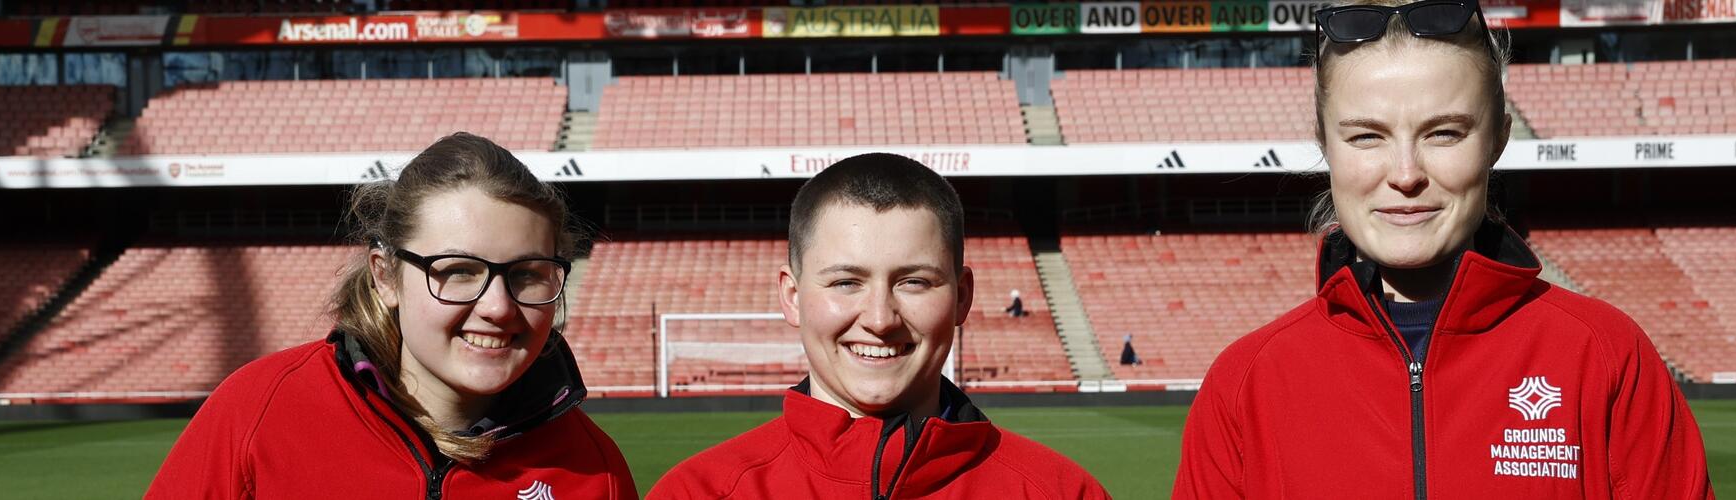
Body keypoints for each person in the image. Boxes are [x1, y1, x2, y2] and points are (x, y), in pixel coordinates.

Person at [1173, 1, 1713, 497]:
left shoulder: (1606, 356)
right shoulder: (1243, 386)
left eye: (1444, 133)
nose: (1406, 175)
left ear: (1498, 138)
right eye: (1366, 136)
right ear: (1324, 143)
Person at [147, 133, 636, 499]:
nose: (498, 307)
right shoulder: (257, 412)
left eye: (528, 274)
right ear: (385, 276)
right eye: (459, 271)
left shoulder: (596, 470)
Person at [649, 153, 1109, 499]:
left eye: (914, 282)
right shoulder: (699, 492)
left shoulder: (1062, 491)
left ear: (962, 297)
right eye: (847, 282)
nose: (879, 319)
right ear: (792, 297)